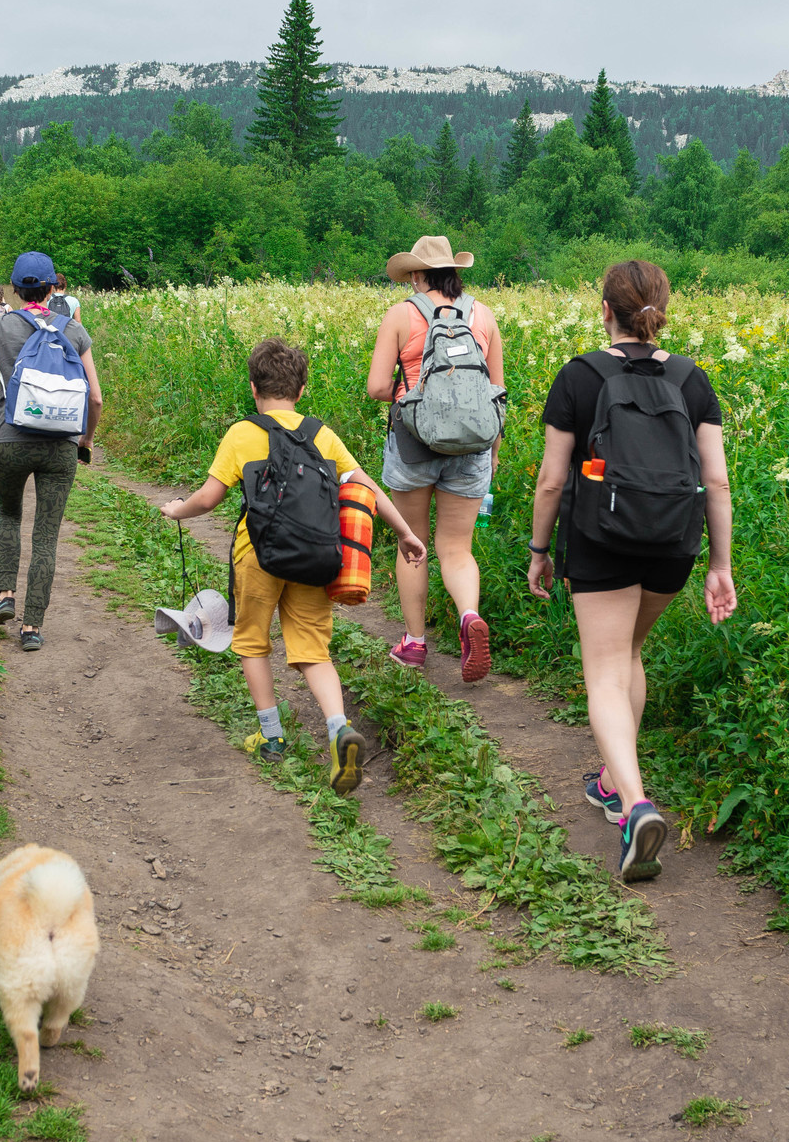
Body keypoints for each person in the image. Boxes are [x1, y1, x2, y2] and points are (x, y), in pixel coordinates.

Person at [524, 260, 735, 881]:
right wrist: (719, 564)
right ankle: (613, 781)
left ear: (606, 310)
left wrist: (539, 551)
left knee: (607, 670)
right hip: (673, 541)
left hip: (601, 538)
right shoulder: (692, 380)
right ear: (662, 308)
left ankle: (636, 803)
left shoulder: (580, 376)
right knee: (630, 651)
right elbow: (716, 479)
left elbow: (552, 479)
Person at [160, 337, 427, 794]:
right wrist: (405, 532)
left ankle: (272, 736)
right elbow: (366, 488)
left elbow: (209, 497)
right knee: (312, 651)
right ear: (302, 389)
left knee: (251, 642)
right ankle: (339, 729)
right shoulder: (322, 435)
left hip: (258, 556)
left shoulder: (243, 433)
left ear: (253, 387)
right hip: (314, 556)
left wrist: (176, 509)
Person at [366, 233, 507, 683]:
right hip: (472, 447)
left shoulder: (401, 315)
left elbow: (376, 389)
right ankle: (468, 616)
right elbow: (495, 395)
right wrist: (493, 456)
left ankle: (413, 644)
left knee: (415, 547)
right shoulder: (482, 315)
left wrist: (416, 398)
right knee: (457, 549)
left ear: (416, 273)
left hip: (414, 444)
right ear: (454, 272)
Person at [0, 251, 102, 654]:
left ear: (16, 290)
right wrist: (84, 442)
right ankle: (32, 627)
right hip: (60, 449)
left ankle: (4, 596)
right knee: (47, 536)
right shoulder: (75, 331)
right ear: (54, 286)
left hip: (9, 442)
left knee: (9, 515)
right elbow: (97, 399)